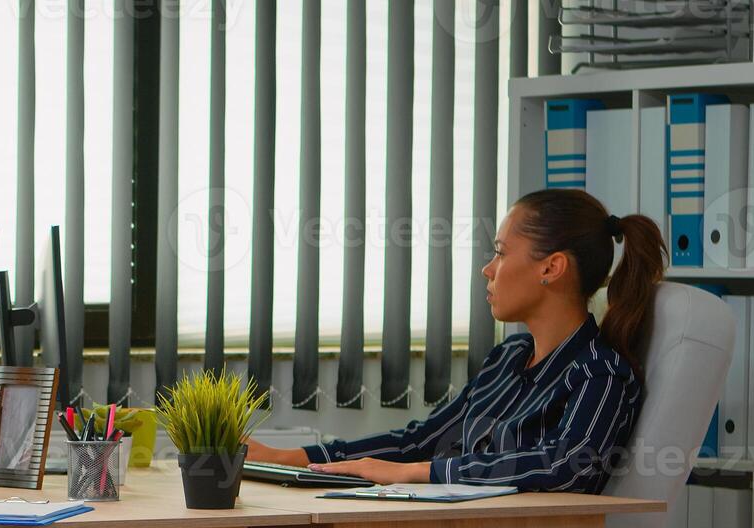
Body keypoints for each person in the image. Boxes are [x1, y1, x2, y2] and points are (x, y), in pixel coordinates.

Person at [248, 188, 665, 492]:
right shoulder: (509, 358)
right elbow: (422, 441)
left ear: (551, 268)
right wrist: (293, 458)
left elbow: (567, 465)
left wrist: (421, 472)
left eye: (501, 253)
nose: (488, 268)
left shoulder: (600, 373)